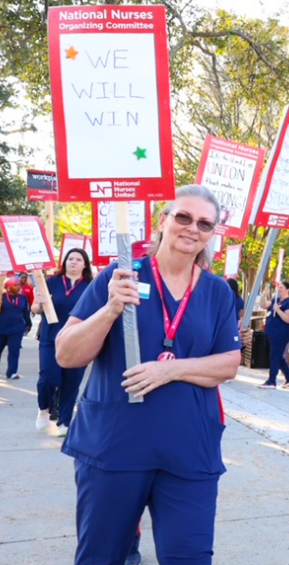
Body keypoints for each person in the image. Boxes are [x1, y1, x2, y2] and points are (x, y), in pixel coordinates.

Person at [54, 184, 242, 564]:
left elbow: (228, 363)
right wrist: (109, 310)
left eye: (205, 224)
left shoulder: (217, 291)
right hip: (115, 447)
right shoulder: (120, 275)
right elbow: (66, 353)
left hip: (189, 450)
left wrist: (170, 370)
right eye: (183, 217)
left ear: (213, 234)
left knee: (190, 557)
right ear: (163, 220)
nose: (192, 228)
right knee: (101, 557)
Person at [33, 248, 93, 435]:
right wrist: (40, 303)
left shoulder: (92, 286)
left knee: (71, 382)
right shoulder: (51, 283)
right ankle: (44, 408)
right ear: (65, 262)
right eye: (70, 259)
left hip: (79, 340)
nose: (73, 262)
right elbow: (35, 309)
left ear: (85, 264)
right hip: (51, 337)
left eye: (78, 259)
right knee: (49, 378)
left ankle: (64, 422)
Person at [259, 281, 289, 389]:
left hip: (281, 334)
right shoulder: (276, 300)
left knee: (274, 356)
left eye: (281, 287)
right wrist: (264, 295)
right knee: (278, 357)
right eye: (279, 287)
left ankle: (272, 380)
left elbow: (288, 319)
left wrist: (278, 310)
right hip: (272, 332)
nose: (279, 289)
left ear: (287, 290)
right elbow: (263, 305)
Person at [0, 277, 32, 379]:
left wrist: (28, 324)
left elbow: (26, 312)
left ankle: (12, 372)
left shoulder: (23, 298)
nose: (18, 287)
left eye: (19, 285)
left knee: (14, 351)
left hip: (17, 329)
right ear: (8, 287)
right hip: (2, 329)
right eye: (15, 285)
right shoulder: (2, 297)